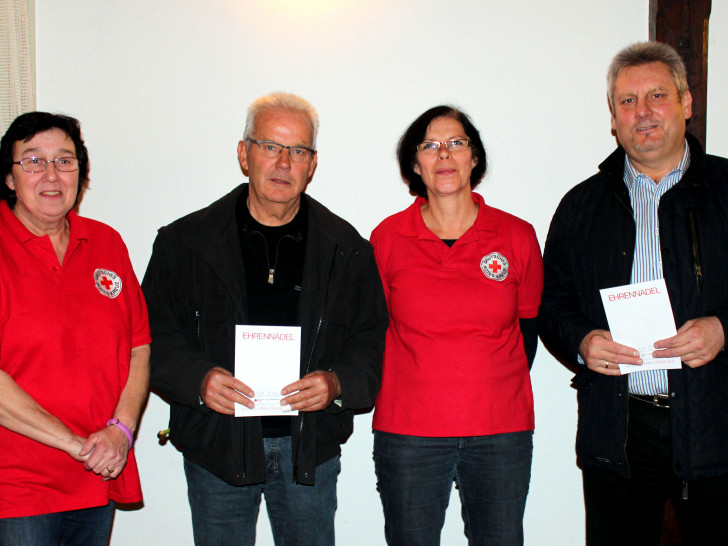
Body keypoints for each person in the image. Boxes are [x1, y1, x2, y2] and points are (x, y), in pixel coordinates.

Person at [142, 92, 388, 546]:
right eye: (270, 146)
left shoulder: (347, 249)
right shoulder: (185, 243)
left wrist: (336, 384)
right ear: (244, 153)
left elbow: (371, 339)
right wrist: (198, 379)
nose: (283, 163)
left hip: (308, 447)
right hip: (217, 444)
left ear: (312, 164)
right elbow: (150, 336)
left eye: (298, 151)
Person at [539, 41, 728, 545]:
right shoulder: (581, 205)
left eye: (657, 96)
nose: (642, 112)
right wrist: (581, 341)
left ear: (687, 104)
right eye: (627, 101)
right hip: (618, 430)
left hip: (716, 423)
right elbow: (551, 303)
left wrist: (723, 328)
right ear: (613, 117)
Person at [370, 105, 543, 546]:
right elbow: (373, 331)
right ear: (415, 164)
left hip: (500, 434)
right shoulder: (386, 239)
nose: (443, 154)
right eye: (429, 146)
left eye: (456, 143)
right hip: (409, 434)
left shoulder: (517, 236)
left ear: (474, 158)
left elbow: (528, 331)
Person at [0, 112, 151, 545]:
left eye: (65, 161)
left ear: (80, 176)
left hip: (95, 478)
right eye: (33, 160)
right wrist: (75, 444)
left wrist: (121, 432)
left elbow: (139, 347)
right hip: (17, 488)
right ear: (9, 178)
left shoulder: (106, 242)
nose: (51, 174)